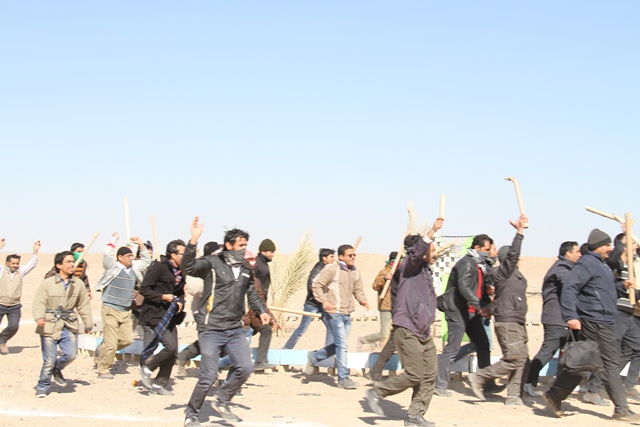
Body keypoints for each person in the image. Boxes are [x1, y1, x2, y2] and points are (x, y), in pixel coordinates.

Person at [542, 229, 640, 421]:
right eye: (607, 245)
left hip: (600, 319)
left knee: (584, 361)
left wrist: (622, 286)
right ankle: (621, 409)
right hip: (595, 320)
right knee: (611, 363)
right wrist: (570, 315)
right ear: (598, 246)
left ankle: (555, 395)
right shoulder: (587, 263)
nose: (610, 248)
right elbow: (570, 288)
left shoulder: (600, 265)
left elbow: (603, 290)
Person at [183, 217, 270, 427]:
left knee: (245, 367)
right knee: (208, 376)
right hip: (211, 328)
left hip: (234, 328)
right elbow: (188, 267)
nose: (243, 250)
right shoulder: (212, 263)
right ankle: (191, 414)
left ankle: (222, 400)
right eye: (240, 245)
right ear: (229, 245)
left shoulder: (246, 269)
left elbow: (252, 293)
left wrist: (262, 311)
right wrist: (193, 240)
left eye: (245, 246)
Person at [366, 219, 444, 427]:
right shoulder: (408, 268)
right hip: (407, 328)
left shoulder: (426, 273)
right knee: (415, 373)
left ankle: (415, 415)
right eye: (432, 249)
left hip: (423, 332)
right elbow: (415, 254)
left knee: (429, 375)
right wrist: (432, 231)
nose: (435, 253)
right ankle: (378, 392)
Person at [468, 215, 529, 405]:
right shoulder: (504, 272)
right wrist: (519, 232)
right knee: (514, 358)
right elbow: (513, 255)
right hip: (508, 322)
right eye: (514, 256)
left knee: (522, 358)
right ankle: (479, 377)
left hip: (517, 319)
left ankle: (514, 395)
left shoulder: (515, 275)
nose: (519, 257)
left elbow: (502, 297)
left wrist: (491, 307)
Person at [435, 233, 494, 396]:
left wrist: (487, 293)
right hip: (458, 311)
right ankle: (439, 385)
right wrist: (480, 306)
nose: (488, 253)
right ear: (477, 248)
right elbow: (464, 288)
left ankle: (487, 384)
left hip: (471, 313)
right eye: (486, 250)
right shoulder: (467, 263)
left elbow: (476, 288)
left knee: (483, 345)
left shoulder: (479, 265)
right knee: (453, 348)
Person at [306, 244, 370, 389]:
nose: (353, 257)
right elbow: (316, 285)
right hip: (335, 312)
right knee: (342, 346)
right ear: (341, 257)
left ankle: (315, 357)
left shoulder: (355, 271)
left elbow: (358, 289)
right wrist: (324, 301)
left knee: (340, 345)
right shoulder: (332, 269)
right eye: (350, 255)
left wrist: (362, 300)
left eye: (354, 255)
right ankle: (343, 378)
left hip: (347, 313)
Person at [524, 241, 582, 396]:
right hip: (556, 319)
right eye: (577, 252)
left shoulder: (567, 268)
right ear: (568, 253)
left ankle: (562, 383)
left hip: (563, 319)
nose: (580, 255)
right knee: (547, 352)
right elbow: (572, 288)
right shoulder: (562, 269)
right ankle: (527, 381)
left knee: (567, 353)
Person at [32, 251, 93, 397]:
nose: (72, 264)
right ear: (59, 265)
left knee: (71, 354)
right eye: (68, 262)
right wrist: (39, 317)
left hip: (68, 324)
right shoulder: (48, 283)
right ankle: (42, 386)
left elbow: (83, 305)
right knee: (49, 359)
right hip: (49, 324)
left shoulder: (78, 284)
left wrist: (88, 323)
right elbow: (39, 302)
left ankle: (57, 368)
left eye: (73, 261)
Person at [94, 233, 151, 379]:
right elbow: (106, 254)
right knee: (111, 343)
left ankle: (102, 349)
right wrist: (114, 239)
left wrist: (141, 244)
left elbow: (146, 260)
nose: (131, 258)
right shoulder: (113, 267)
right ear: (120, 257)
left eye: (132, 256)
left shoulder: (134, 268)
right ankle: (103, 369)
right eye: (128, 256)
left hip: (125, 310)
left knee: (127, 340)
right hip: (110, 308)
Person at [138, 239, 187, 396]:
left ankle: (159, 384)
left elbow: (180, 293)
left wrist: (180, 302)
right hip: (155, 314)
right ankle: (148, 368)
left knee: (173, 353)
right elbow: (144, 289)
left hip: (170, 315)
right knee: (169, 346)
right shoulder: (159, 267)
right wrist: (162, 297)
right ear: (173, 255)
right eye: (183, 253)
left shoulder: (181, 271)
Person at [177, 241, 220, 375]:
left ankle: (184, 356)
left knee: (213, 340)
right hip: (202, 311)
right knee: (209, 341)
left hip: (216, 311)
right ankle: (210, 372)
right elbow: (194, 288)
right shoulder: (202, 266)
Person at [606, 233, 640, 402]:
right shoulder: (616, 265)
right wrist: (626, 235)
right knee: (613, 351)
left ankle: (628, 384)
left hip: (629, 312)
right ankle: (597, 386)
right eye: (633, 243)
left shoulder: (631, 266)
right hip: (618, 312)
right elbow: (612, 287)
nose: (636, 246)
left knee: (636, 347)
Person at [282, 248, 335, 349]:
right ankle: (286, 349)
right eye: (331, 257)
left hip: (322, 304)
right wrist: (319, 297)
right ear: (324, 258)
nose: (333, 259)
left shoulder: (326, 269)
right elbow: (311, 285)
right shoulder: (318, 270)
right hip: (312, 304)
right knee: (302, 328)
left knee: (331, 327)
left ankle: (327, 353)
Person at [0, 240, 40, 354]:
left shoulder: (21, 272)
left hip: (14, 306)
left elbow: (32, 265)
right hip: (0, 303)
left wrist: (35, 251)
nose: (16, 266)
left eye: (17, 263)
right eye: (13, 263)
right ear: (7, 263)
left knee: (14, 326)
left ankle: (2, 340)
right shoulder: (2, 270)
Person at [356, 251, 397, 352]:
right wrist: (384, 279)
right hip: (386, 306)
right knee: (384, 334)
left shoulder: (399, 272)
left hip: (397, 306)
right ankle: (362, 340)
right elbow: (375, 286)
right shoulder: (385, 272)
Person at [252, 239, 279, 371]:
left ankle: (260, 361)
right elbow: (255, 289)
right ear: (263, 251)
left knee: (261, 329)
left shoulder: (262, 265)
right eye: (271, 252)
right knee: (263, 328)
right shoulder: (258, 265)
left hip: (259, 304)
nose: (272, 254)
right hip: (254, 305)